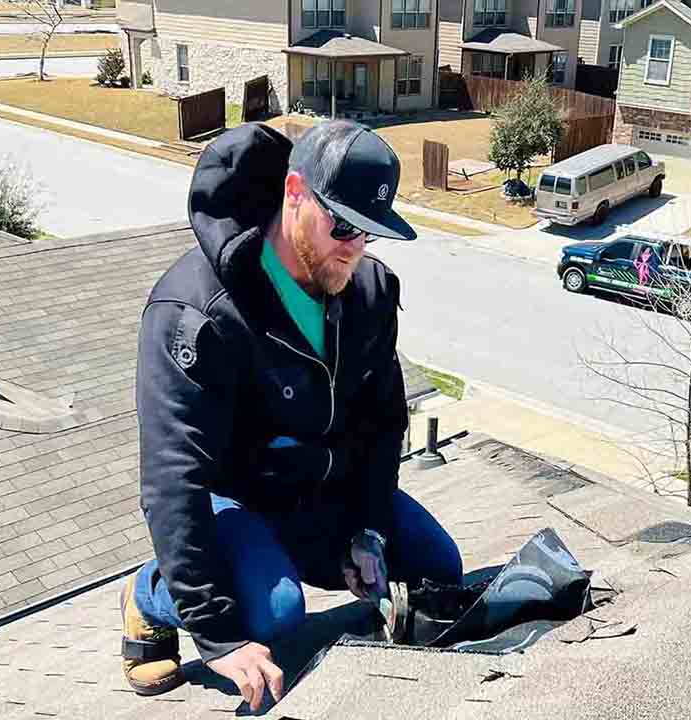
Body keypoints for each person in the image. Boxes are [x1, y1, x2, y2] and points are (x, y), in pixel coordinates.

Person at [121, 121, 463, 712]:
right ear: (297, 192)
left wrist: (369, 529)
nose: (355, 248)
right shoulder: (196, 312)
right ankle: (150, 596)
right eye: (344, 226)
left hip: (318, 491)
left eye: (370, 234)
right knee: (272, 615)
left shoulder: (370, 293)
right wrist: (218, 634)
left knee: (438, 566)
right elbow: (172, 477)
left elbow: (383, 427)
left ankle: (295, 556)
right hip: (234, 500)